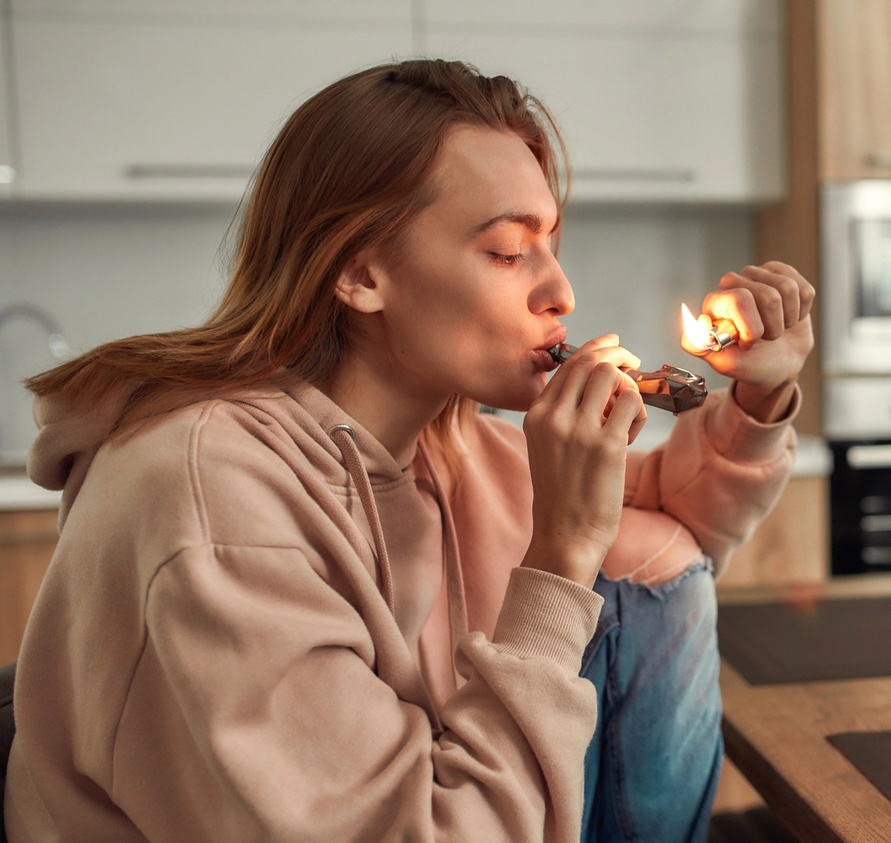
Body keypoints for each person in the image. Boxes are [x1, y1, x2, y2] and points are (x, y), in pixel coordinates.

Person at [3, 59, 813, 842]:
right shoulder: (209, 497)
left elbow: (666, 551)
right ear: (360, 273)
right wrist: (561, 554)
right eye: (506, 250)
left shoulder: (442, 444)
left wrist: (758, 398)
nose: (560, 290)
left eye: (551, 243)